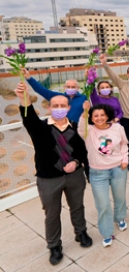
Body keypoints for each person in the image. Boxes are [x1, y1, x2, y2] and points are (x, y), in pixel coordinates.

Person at [15, 82, 92, 265]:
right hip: (48, 179)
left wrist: (76, 162)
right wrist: (23, 99)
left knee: (77, 206)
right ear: (49, 107)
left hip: (74, 176)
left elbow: (82, 151)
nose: (59, 109)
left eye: (62, 105)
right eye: (55, 106)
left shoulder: (75, 127)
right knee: (52, 214)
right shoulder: (40, 128)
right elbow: (29, 118)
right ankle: (54, 245)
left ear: (68, 107)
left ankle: (80, 232)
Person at [79, 101, 129, 247]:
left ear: (108, 116)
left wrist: (125, 159)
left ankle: (120, 217)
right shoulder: (88, 130)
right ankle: (107, 232)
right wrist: (85, 111)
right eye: (95, 116)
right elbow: (81, 126)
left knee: (120, 196)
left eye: (102, 115)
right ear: (91, 118)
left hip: (118, 168)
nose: (99, 118)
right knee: (103, 203)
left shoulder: (118, 128)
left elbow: (124, 144)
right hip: (97, 172)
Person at [23, 68, 87, 123]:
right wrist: (29, 78)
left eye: (73, 87)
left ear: (78, 87)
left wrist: (89, 78)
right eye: (68, 87)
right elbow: (41, 90)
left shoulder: (84, 98)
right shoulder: (58, 97)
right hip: (61, 130)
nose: (70, 89)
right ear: (64, 87)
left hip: (79, 130)